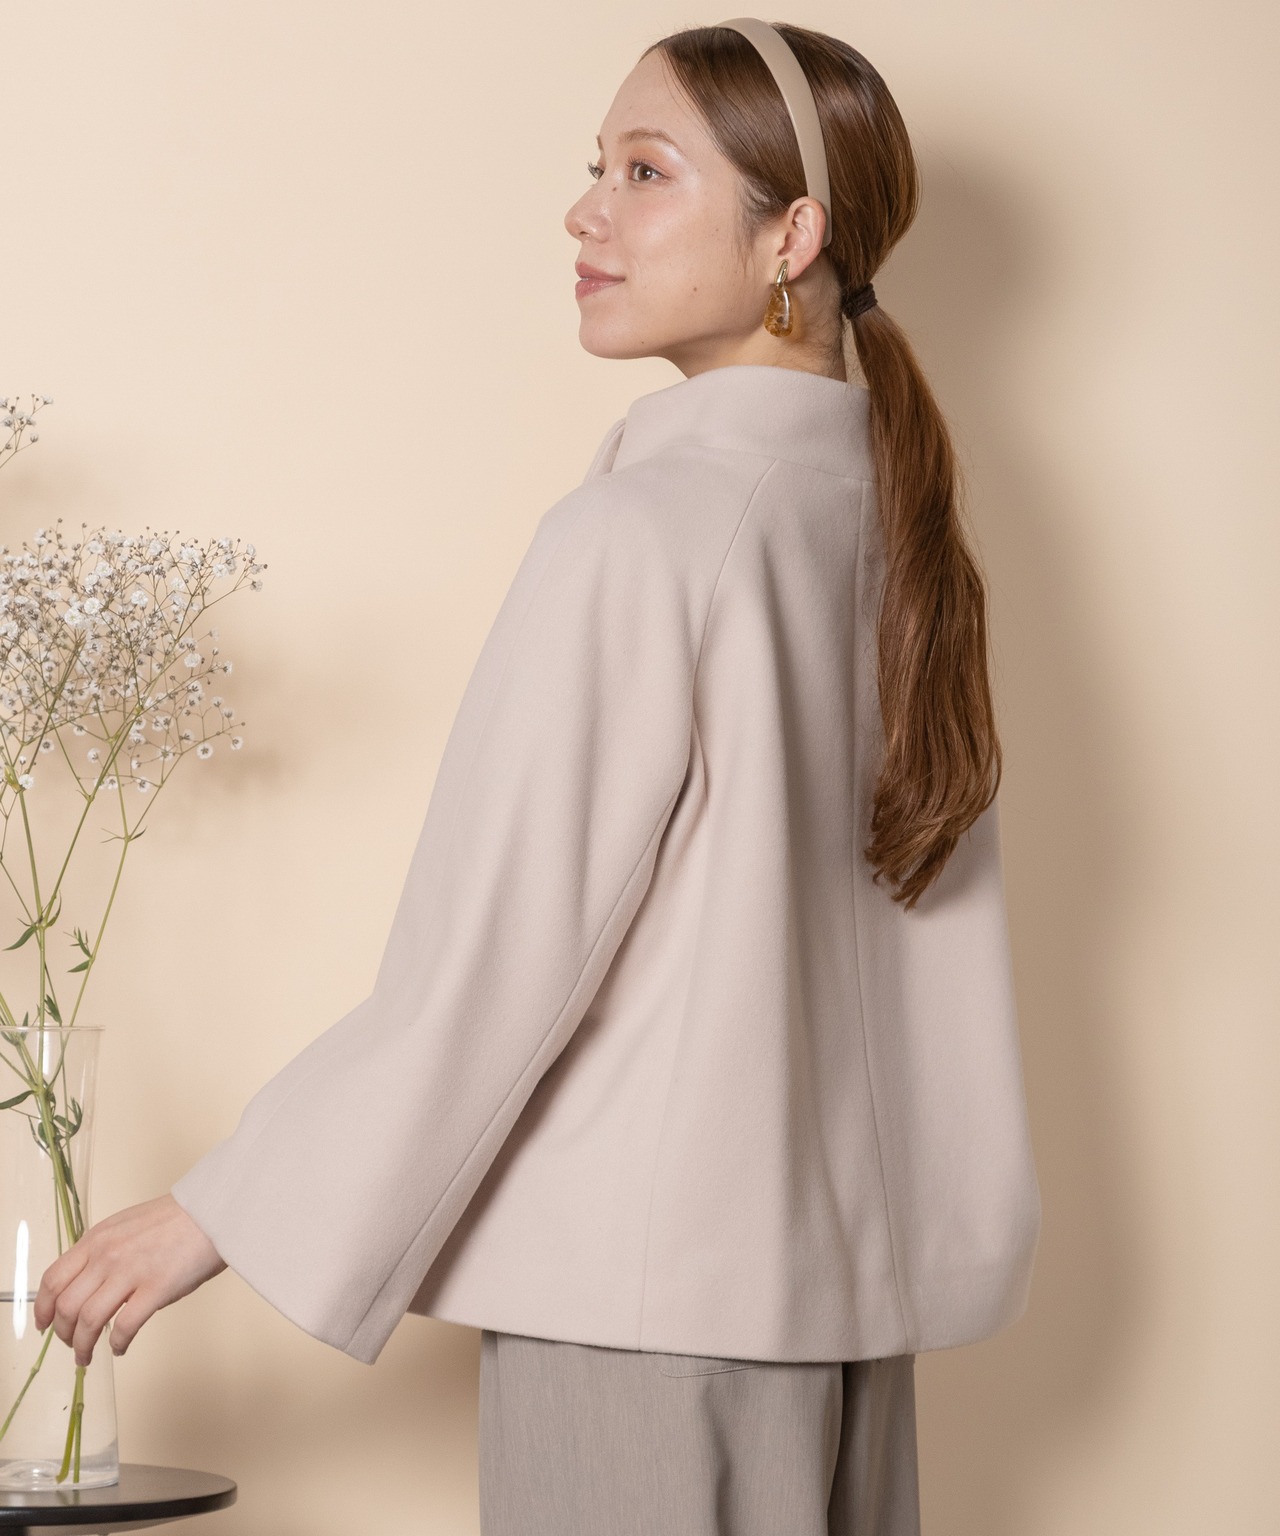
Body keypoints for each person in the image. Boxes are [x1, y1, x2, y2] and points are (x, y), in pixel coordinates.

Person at [35, 19, 1042, 1535]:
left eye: (646, 172)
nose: (585, 213)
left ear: (793, 235)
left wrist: (216, 1211)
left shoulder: (643, 534)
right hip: (849, 1327)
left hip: (644, 1319)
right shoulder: (898, 533)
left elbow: (503, 956)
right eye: (597, 169)